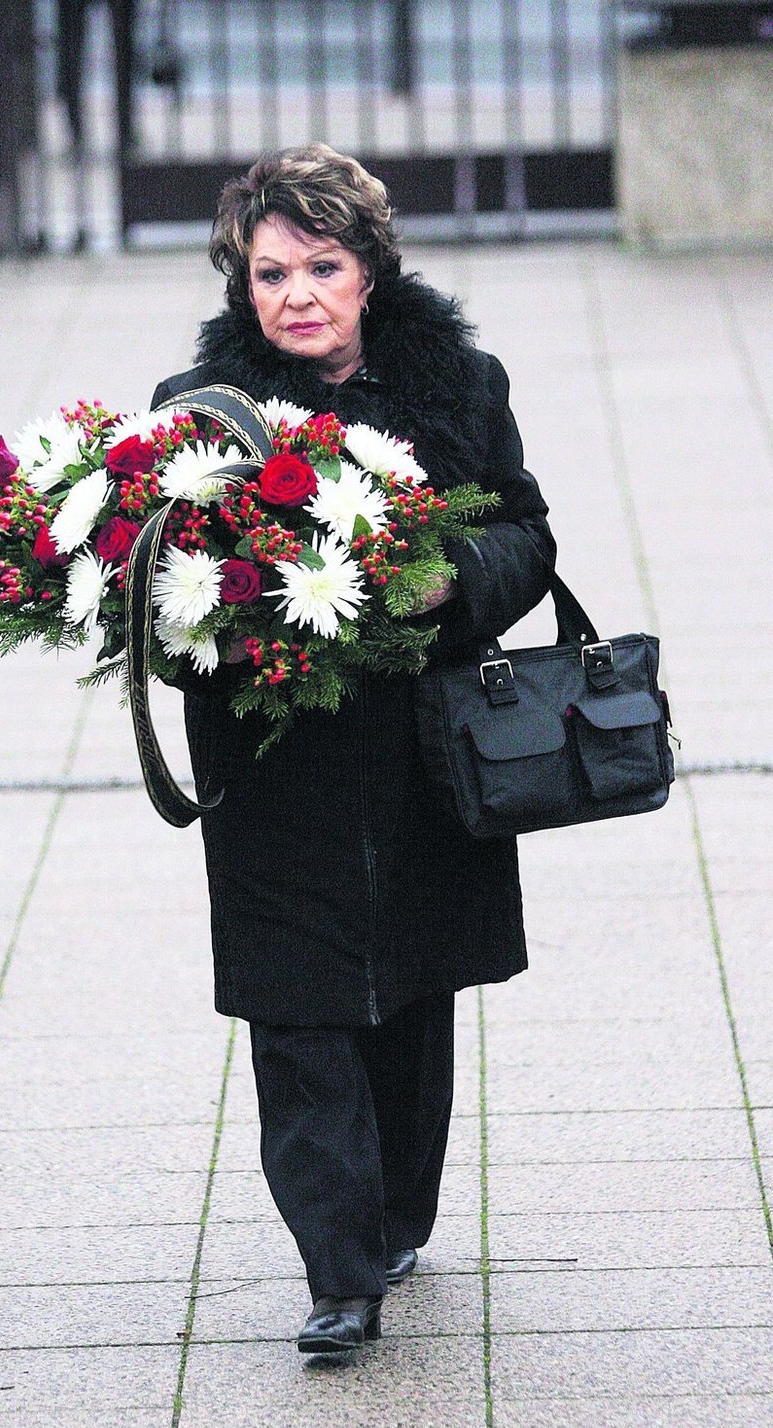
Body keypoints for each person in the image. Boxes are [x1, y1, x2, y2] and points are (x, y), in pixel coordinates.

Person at [148, 145, 556, 1356]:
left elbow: (527, 530)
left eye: (323, 266)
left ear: (371, 269)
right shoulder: (198, 410)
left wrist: (455, 581)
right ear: (243, 283)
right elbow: (148, 572)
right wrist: (195, 621)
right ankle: (338, 1269)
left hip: (424, 757)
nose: (299, 295)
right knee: (299, 1009)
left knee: (413, 994)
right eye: (271, 272)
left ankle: (392, 1217)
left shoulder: (460, 387)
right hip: (272, 763)